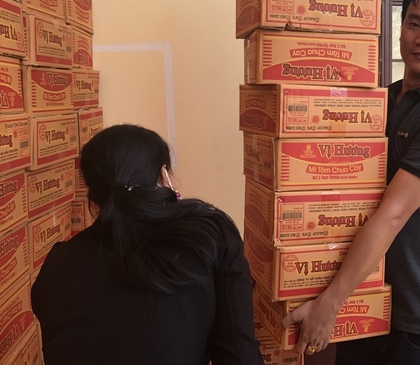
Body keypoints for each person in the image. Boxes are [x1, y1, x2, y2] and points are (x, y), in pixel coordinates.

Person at [281, 0, 420, 364]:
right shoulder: (381, 101)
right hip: (365, 295)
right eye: (415, 23)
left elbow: (392, 215)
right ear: (401, 28)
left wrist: (330, 302)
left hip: (419, 310)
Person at [31, 124, 263, 365]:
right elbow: (240, 356)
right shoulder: (209, 238)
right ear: (164, 176)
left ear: (93, 195)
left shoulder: (58, 263)